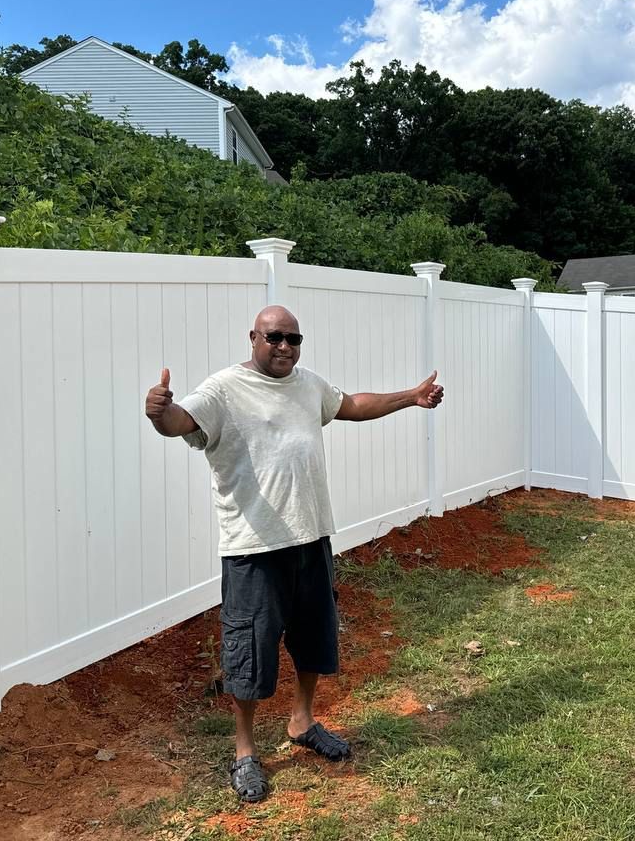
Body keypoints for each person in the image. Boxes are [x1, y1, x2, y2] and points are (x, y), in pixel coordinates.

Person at [144, 304, 444, 802]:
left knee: (313, 641)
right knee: (249, 653)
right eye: (274, 337)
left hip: (312, 540)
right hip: (254, 549)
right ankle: (244, 753)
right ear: (253, 338)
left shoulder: (308, 385)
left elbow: (351, 405)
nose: (284, 346)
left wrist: (410, 397)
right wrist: (160, 412)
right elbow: (180, 421)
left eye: (293, 338)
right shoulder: (223, 390)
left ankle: (301, 723)